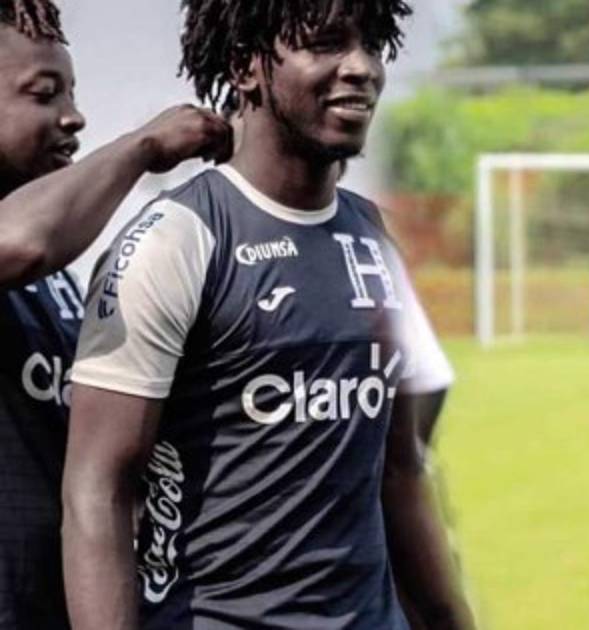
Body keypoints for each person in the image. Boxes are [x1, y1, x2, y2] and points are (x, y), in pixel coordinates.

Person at [61, 1, 472, 629]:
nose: (361, 67)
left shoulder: (373, 237)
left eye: (371, 45)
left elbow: (400, 467)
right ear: (245, 67)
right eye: (326, 44)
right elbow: (98, 490)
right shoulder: (178, 239)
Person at [0, 1, 230, 627]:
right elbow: (24, 240)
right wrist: (143, 147)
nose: (73, 116)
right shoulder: (26, 250)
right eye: (44, 93)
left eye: (71, 92)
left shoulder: (58, 283)